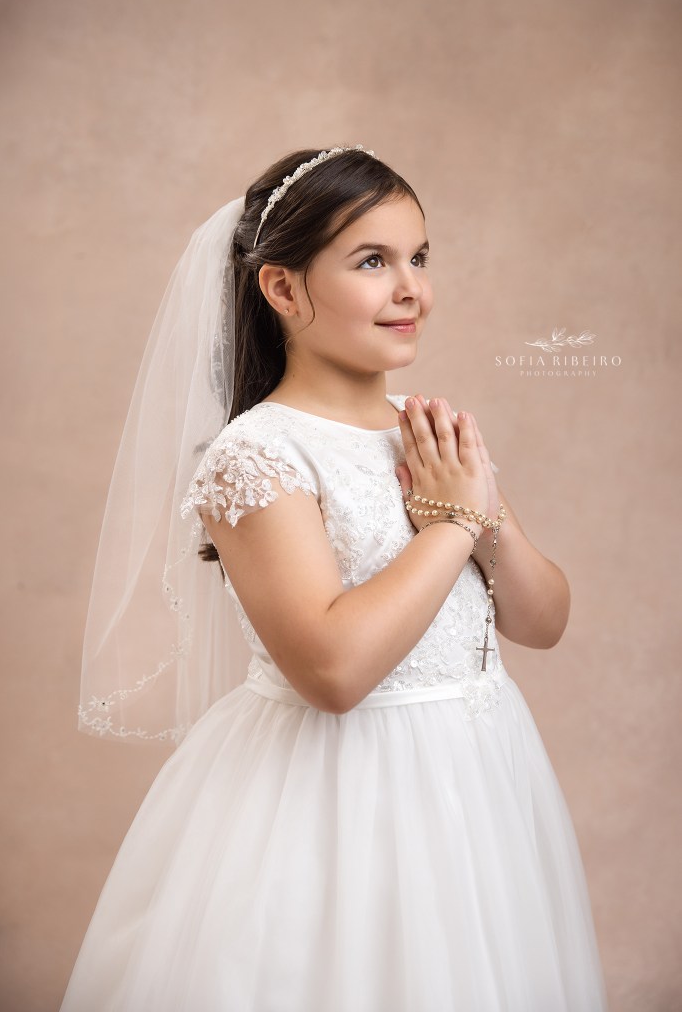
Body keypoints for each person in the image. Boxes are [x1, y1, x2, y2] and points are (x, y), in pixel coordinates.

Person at [60, 145, 609, 1011]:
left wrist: (479, 511)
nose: (410, 289)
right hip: (338, 798)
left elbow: (542, 620)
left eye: (418, 257)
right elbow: (333, 671)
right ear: (280, 289)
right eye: (371, 262)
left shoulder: (424, 431)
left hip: (477, 780)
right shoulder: (257, 453)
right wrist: (453, 524)